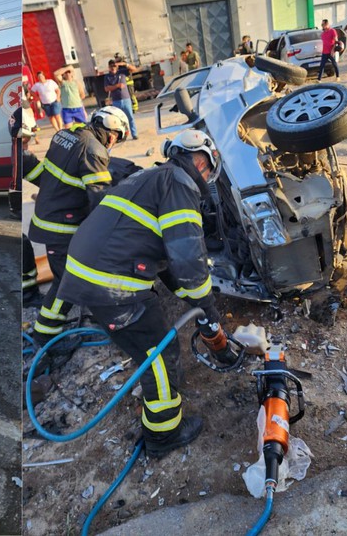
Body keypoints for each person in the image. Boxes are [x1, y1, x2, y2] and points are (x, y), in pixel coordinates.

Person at [56, 129, 223, 459]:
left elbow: (163, 259)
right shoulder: (181, 186)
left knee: (149, 339)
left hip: (90, 273)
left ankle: (161, 409)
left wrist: (195, 303)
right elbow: (188, 259)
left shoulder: (153, 176)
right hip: (110, 285)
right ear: (203, 161)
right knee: (159, 354)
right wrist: (207, 308)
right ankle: (163, 435)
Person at [25, 106, 130, 344]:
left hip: (50, 214)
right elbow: (100, 198)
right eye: (117, 138)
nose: (114, 143)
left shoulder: (67, 134)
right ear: (112, 133)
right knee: (66, 282)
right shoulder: (94, 151)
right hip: (60, 225)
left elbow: (49, 174)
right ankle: (46, 336)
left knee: (66, 276)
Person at [103, 59, 138, 140]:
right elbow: (106, 88)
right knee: (117, 120)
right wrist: (117, 86)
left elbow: (134, 69)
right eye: (111, 66)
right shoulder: (107, 77)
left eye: (114, 65)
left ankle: (134, 134)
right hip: (116, 101)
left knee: (130, 117)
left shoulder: (122, 72)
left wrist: (124, 64)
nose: (113, 67)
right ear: (108, 67)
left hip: (126, 99)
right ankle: (121, 136)